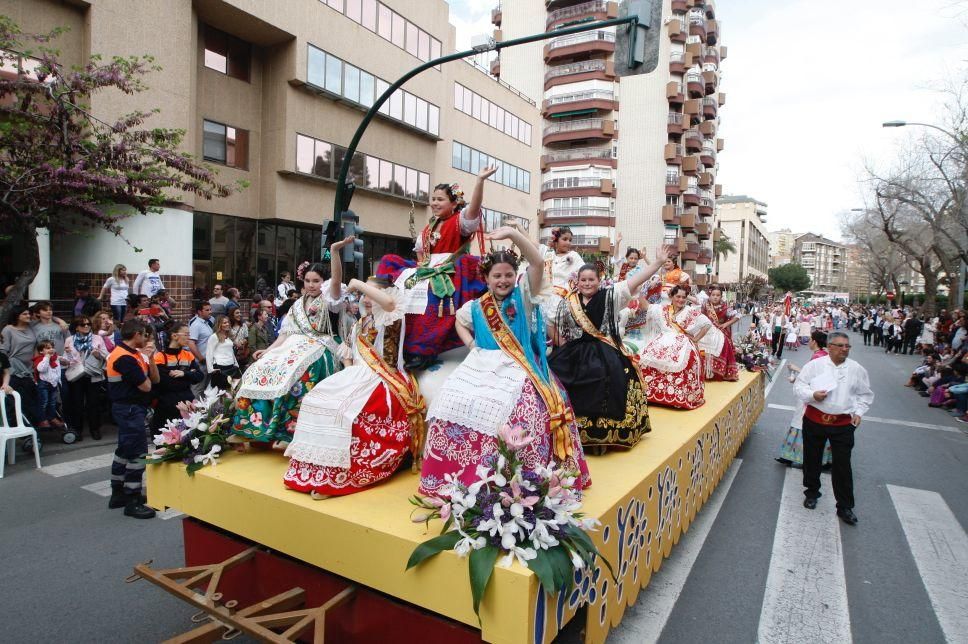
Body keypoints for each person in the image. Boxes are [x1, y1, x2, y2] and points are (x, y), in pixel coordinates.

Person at [419, 225, 591, 496]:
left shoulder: (523, 296)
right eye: (496, 276)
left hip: (520, 367)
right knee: (447, 403)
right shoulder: (475, 307)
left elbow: (536, 261)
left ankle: (523, 482)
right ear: (486, 278)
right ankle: (456, 478)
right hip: (481, 366)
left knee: (525, 413)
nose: (503, 280)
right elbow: (459, 323)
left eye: (508, 275)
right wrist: (471, 344)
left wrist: (514, 235)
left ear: (516, 276)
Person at [284, 274, 424, 497]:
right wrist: (347, 376)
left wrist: (358, 284)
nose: (366, 299)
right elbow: (348, 354)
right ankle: (316, 471)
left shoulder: (390, 318)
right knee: (314, 399)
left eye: (371, 293)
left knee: (345, 411)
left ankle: (341, 475)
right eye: (364, 294)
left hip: (384, 377)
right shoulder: (360, 324)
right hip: (358, 376)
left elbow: (388, 304)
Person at [231, 240, 352, 443]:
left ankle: (290, 433)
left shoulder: (331, 299)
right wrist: (268, 351)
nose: (311, 285)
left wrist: (334, 252)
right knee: (259, 368)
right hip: (294, 346)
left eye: (316, 281)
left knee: (302, 375)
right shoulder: (297, 305)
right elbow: (285, 334)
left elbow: (337, 279)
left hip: (322, 346)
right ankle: (251, 427)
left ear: (325, 282)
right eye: (307, 280)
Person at [549, 248, 668, 451]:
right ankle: (570, 432)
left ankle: (602, 436)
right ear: (576, 281)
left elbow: (634, 281)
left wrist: (656, 263)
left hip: (605, 350)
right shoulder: (567, 302)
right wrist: (562, 344)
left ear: (599, 280)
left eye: (591, 280)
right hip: (575, 351)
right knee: (554, 373)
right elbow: (551, 323)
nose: (587, 283)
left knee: (608, 377)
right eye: (583, 280)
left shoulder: (611, 296)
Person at [376, 167, 495, 371]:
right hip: (427, 269)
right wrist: (420, 270)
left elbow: (474, 208)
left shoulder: (460, 222)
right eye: (433, 199)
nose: (434, 203)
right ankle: (391, 333)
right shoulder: (429, 227)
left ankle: (424, 349)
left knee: (432, 294)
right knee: (390, 262)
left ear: (453, 203)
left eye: (440, 199)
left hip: (449, 269)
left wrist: (479, 182)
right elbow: (421, 255)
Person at [794, 331, 874, 526]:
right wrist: (813, 394)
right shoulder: (815, 366)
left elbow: (865, 394)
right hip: (815, 419)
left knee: (843, 464)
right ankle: (812, 492)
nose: (844, 349)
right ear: (830, 347)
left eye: (847, 346)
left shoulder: (856, 369)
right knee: (812, 459)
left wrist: (859, 412)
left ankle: (845, 505)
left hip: (843, 424)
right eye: (840, 346)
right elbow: (799, 386)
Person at [106, 319, 160, 519]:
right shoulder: (124, 358)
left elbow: (155, 380)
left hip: (130, 408)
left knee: (124, 450)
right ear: (136, 334)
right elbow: (146, 386)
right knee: (138, 454)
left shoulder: (133, 354)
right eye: (145, 335)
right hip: (129, 409)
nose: (147, 339)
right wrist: (144, 375)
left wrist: (151, 358)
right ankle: (132, 499)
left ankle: (118, 493)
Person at [637, 284, 712, 410]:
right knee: (644, 359)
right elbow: (645, 306)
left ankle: (678, 398)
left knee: (684, 364)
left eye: (684, 297)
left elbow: (707, 324)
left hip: (682, 342)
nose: (681, 300)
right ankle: (652, 395)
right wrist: (637, 290)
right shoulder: (663, 309)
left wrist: (695, 338)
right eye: (678, 296)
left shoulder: (690, 312)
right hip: (662, 341)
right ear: (671, 296)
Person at [777, 331, 833, 468]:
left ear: (814, 342)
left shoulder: (818, 357)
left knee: (801, 424)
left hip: (811, 396)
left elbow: (811, 378)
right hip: (814, 394)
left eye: (810, 339)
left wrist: (795, 376)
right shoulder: (823, 355)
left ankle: (793, 456)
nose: (808, 341)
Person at [150, 322, 204, 433]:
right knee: (166, 439)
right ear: (174, 336)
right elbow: (165, 383)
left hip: (187, 402)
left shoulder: (188, 355)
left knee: (187, 437)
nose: (189, 338)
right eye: (186, 334)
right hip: (167, 405)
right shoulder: (160, 357)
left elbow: (199, 376)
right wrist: (190, 374)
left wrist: (184, 374)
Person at [63, 316, 107, 440]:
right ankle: (77, 430)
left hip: (93, 374)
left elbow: (106, 355)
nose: (87, 326)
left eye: (88, 324)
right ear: (77, 327)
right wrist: (65, 358)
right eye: (83, 325)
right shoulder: (70, 340)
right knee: (77, 403)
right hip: (77, 374)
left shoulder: (97, 338)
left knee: (94, 403)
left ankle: (95, 429)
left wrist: (98, 355)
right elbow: (67, 358)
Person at [537, 226, 587, 322]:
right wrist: (518, 228)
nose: (568, 242)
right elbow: (530, 243)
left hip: (563, 299)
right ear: (556, 240)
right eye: (564, 239)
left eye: (570, 240)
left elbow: (585, 272)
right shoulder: (548, 253)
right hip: (544, 298)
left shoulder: (574, 256)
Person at [0, 307, 40, 424]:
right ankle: (18, 428)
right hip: (13, 369)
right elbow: (3, 351)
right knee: (15, 400)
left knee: (30, 399)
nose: (29, 316)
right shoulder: (8, 330)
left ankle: (31, 428)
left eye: (29, 313)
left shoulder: (31, 328)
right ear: (17, 316)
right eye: (25, 314)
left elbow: (46, 316)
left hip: (28, 369)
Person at [702, 286, 740, 381]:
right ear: (709, 295)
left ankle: (719, 372)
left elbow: (738, 316)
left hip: (720, 330)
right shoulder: (704, 305)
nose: (715, 297)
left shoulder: (724, 307)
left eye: (718, 295)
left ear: (721, 296)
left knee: (724, 343)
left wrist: (725, 324)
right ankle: (704, 370)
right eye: (713, 295)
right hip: (706, 330)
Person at [33, 340, 64, 429]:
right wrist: (46, 358)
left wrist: (65, 359)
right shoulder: (40, 359)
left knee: (53, 403)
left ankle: (52, 417)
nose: (51, 349)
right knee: (44, 402)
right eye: (47, 348)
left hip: (53, 384)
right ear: (41, 351)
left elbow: (57, 370)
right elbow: (41, 369)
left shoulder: (55, 358)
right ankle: (42, 420)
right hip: (44, 384)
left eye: (52, 347)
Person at [206, 315, 241, 391]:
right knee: (220, 391)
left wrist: (236, 364)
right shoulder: (214, 337)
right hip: (220, 367)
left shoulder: (228, 336)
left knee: (232, 390)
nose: (227, 324)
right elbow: (209, 353)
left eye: (228, 322)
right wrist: (211, 369)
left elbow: (230, 351)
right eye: (224, 323)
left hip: (231, 366)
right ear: (219, 324)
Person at [188, 301, 214, 395]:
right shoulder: (196, 324)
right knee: (198, 388)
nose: (210, 312)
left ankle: (204, 409)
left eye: (210, 309)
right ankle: (194, 409)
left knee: (206, 389)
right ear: (199, 312)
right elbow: (191, 343)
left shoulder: (207, 323)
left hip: (208, 361)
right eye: (207, 310)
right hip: (201, 362)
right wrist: (201, 358)